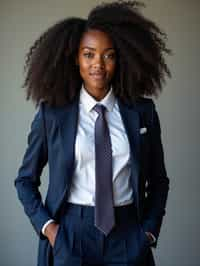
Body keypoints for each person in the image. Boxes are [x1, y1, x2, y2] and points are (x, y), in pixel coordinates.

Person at [14, 1, 171, 266]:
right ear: (76, 58)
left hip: (128, 233)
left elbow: (158, 181)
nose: (98, 63)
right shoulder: (52, 115)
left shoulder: (142, 113)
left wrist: (149, 232)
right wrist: (50, 230)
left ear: (119, 59)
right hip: (71, 233)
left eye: (108, 55)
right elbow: (25, 181)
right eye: (89, 54)